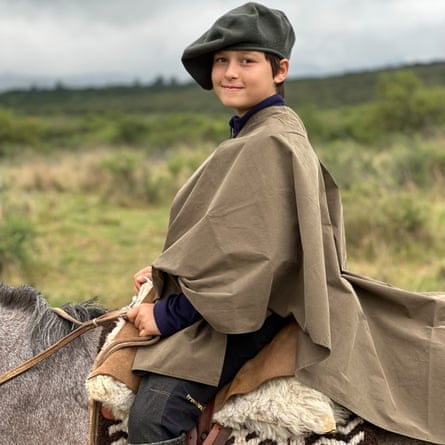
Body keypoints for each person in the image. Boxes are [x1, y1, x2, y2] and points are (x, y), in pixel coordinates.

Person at [126, 3, 445, 445]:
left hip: (250, 316)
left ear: (280, 70)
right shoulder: (261, 132)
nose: (230, 72)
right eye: (221, 61)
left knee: (152, 419)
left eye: (246, 61)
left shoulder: (268, 141)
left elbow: (252, 265)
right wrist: (170, 274)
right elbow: (226, 242)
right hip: (243, 302)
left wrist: (167, 313)